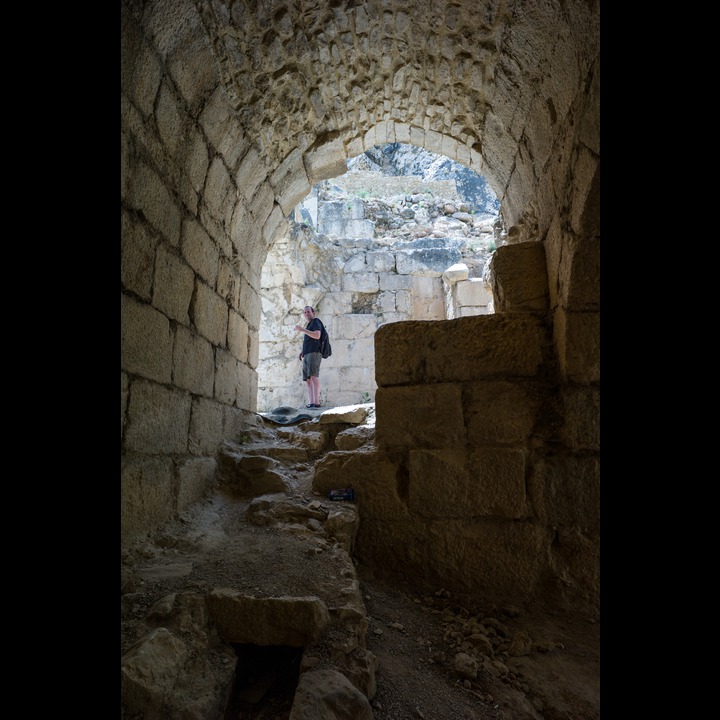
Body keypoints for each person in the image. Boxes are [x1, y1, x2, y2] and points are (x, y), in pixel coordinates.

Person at [294, 306, 323, 408]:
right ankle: (311, 402)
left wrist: (302, 329)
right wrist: (303, 351)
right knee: (308, 379)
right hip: (307, 354)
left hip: (314, 353)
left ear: (313, 313)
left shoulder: (316, 321)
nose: (306, 314)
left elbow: (317, 335)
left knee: (313, 376)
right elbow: (311, 341)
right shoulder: (310, 324)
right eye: (305, 312)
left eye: (308, 312)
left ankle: (316, 402)